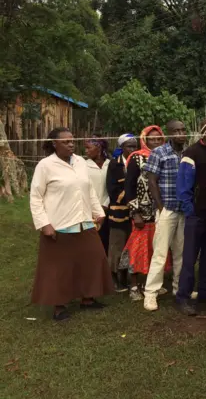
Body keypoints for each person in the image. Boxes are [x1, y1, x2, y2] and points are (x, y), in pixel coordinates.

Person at [30, 127, 113, 321]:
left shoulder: (80, 162)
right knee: (59, 267)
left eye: (72, 141)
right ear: (54, 144)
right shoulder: (45, 165)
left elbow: (89, 189)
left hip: (84, 221)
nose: (71, 144)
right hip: (59, 224)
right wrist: (44, 224)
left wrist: (98, 212)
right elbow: (35, 197)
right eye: (65, 142)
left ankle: (88, 299)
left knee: (91, 259)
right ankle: (59, 306)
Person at [175, 118, 206, 316]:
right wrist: (189, 210)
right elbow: (183, 185)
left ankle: (205, 293)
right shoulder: (191, 153)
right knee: (189, 258)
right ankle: (183, 297)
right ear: (203, 132)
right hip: (196, 215)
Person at [143, 119, 188, 311]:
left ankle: (179, 289)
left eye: (183, 130)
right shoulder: (159, 152)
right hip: (167, 209)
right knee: (160, 253)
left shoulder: (189, 153)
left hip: (184, 210)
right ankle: (150, 294)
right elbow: (151, 181)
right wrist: (161, 208)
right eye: (176, 131)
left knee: (181, 253)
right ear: (169, 134)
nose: (180, 133)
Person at [120, 126, 165, 301]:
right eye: (151, 139)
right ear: (144, 139)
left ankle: (150, 283)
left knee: (156, 248)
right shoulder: (136, 157)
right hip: (142, 212)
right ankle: (133, 286)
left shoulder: (163, 157)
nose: (155, 142)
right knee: (138, 249)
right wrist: (134, 212)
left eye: (158, 139)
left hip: (159, 211)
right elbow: (129, 186)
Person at [106, 134, 138, 292]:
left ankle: (127, 276)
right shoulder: (114, 165)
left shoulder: (138, 162)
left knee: (130, 245)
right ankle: (114, 277)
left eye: (134, 146)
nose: (132, 149)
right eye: (129, 146)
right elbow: (112, 189)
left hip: (135, 212)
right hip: (118, 211)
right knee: (117, 245)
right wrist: (130, 198)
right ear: (122, 148)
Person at [85, 135, 111, 254]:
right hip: (89, 209)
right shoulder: (83, 166)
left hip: (108, 208)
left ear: (99, 148)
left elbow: (114, 187)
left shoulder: (110, 165)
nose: (86, 151)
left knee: (106, 239)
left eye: (88, 148)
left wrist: (105, 205)